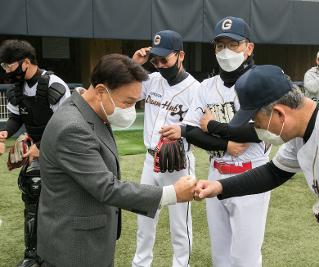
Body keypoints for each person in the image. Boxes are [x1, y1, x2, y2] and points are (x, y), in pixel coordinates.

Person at [195, 65, 319, 267]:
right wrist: (220, 187)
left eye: (256, 121)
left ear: (280, 114)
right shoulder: (300, 129)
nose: (256, 129)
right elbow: (274, 173)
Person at [36, 54, 197, 267]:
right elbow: (106, 188)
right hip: (75, 247)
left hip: (89, 239)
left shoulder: (91, 111)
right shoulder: (73, 128)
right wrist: (172, 194)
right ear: (102, 91)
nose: (131, 109)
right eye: (128, 102)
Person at [161, 17, 271, 267]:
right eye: (220, 45)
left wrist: (212, 127)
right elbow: (189, 130)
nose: (225, 51)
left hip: (250, 172)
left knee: (245, 258)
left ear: (249, 48)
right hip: (216, 172)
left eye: (233, 44)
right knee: (220, 257)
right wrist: (227, 143)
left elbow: (259, 132)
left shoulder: (260, 82)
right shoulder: (207, 86)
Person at [130, 30, 201, 267]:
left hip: (178, 162)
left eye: (165, 59)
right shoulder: (151, 80)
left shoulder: (196, 89)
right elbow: (123, 89)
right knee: (144, 220)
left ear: (180, 55)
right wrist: (134, 66)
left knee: (180, 225)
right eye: (155, 60)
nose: (160, 65)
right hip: (150, 162)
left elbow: (203, 129)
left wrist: (183, 131)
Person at [0, 39, 71, 267]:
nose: (8, 72)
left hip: (64, 146)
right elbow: (15, 119)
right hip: (37, 148)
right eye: (5, 67)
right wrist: (3, 133)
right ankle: (33, 256)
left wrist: (41, 147)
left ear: (26, 62)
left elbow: (67, 124)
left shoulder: (53, 84)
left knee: (64, 200)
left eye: (10, 67)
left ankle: (63, 249)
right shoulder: (16, 90)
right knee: (33, 188)